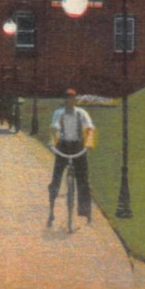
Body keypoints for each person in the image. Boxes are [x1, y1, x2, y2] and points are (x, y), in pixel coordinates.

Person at [47, 88, 95, 226]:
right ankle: (51, 211)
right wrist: (53, 140)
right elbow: (55, 126)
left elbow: (89, 127)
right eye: (67, 98)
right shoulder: (59, 113)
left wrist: (89, 142)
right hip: (63, 146)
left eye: (72, 98)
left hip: (78, 147)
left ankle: (86, 212)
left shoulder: (81, 113)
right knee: (56, 177)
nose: (70, 101)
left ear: (75, 100)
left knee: (83, 180)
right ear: (65, 100)